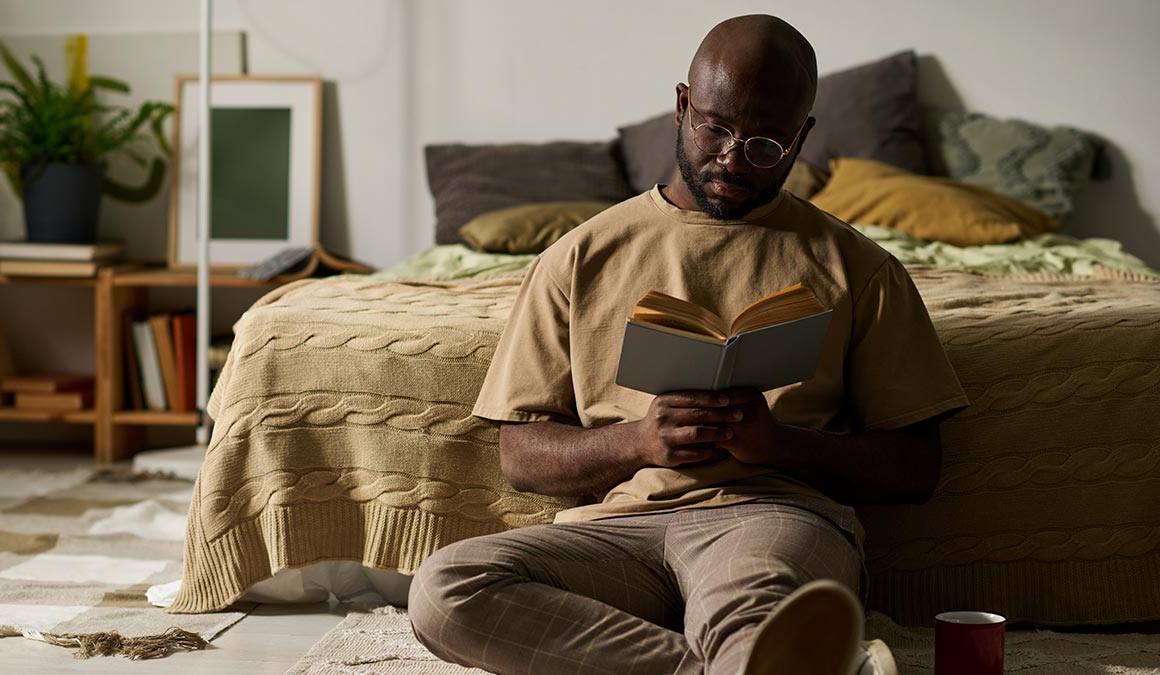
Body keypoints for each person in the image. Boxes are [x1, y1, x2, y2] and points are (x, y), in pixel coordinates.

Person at [408, 14, 968, 675]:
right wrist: (638, 442)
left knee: (752, 621)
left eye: (766, 145)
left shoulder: (858, 268)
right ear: (681, 105)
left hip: (772, 518)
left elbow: (916, 467)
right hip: (618, 533)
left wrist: (780, 445)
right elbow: (520, 454)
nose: (733, 158)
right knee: (445, 590)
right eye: (717, 128)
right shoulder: (578, 257)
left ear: (801, 138)